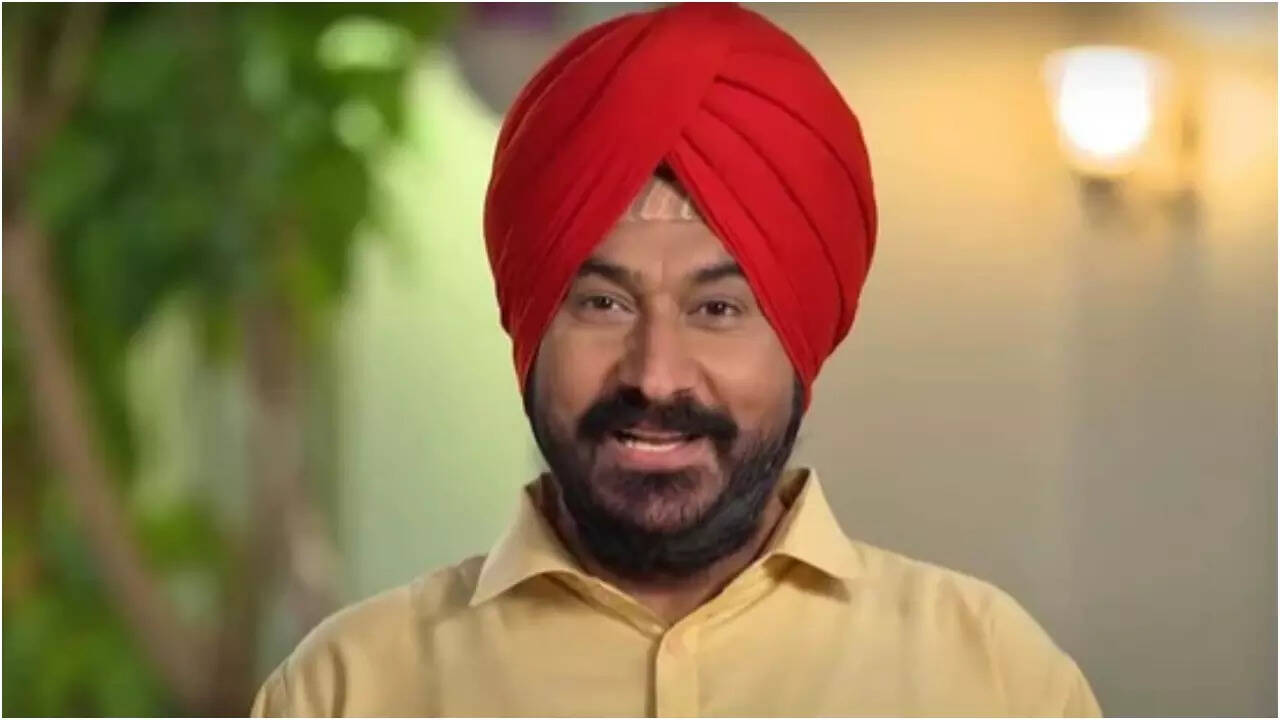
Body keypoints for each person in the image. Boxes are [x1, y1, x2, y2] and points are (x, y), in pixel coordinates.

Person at [253, 4, 1101, 717]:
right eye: (603, 304)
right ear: (531, 327)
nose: (655, 375)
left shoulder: (992, 678)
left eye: (717, 310)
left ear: (802, 340)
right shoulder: (348, 688)